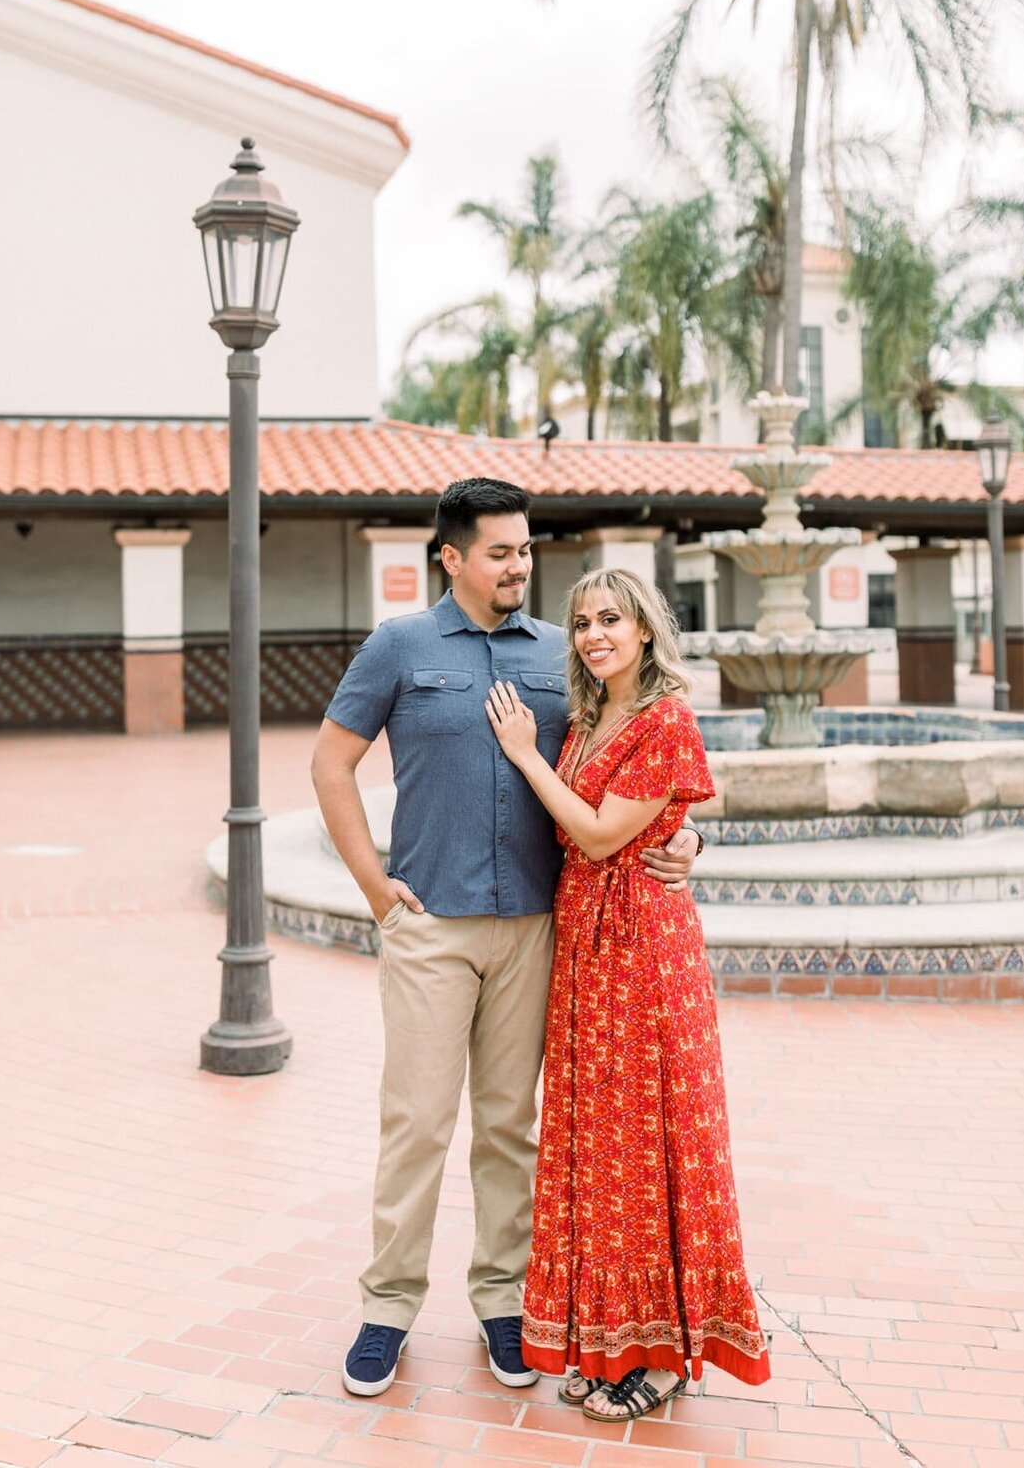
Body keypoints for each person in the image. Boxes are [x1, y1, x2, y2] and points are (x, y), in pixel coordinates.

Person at [310, 479, 704, 1398]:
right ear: (452, 557)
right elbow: (331, 763)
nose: (519, 566)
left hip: (537, 928)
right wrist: (374, 887)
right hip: (431, 927)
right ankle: (388, 1309)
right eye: (500, 552)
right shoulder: (398, 647)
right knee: (415, 1122)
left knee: (509, 1127)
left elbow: (629, 761)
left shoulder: (562, 660)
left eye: (526, 550)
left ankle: (502, 1305)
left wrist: (684, 836)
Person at [484, 565, 771, 1421]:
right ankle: (612, 1337)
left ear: (645, 628)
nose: (594, 634)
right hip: (585, 945)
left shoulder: (665, 717)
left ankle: (666, 1354)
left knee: (649, 1143)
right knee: (600, 1146)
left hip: (643, 946)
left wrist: (526, 759)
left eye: (611, 618)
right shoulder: (587, 715)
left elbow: (606, 832)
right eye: (581, 622)